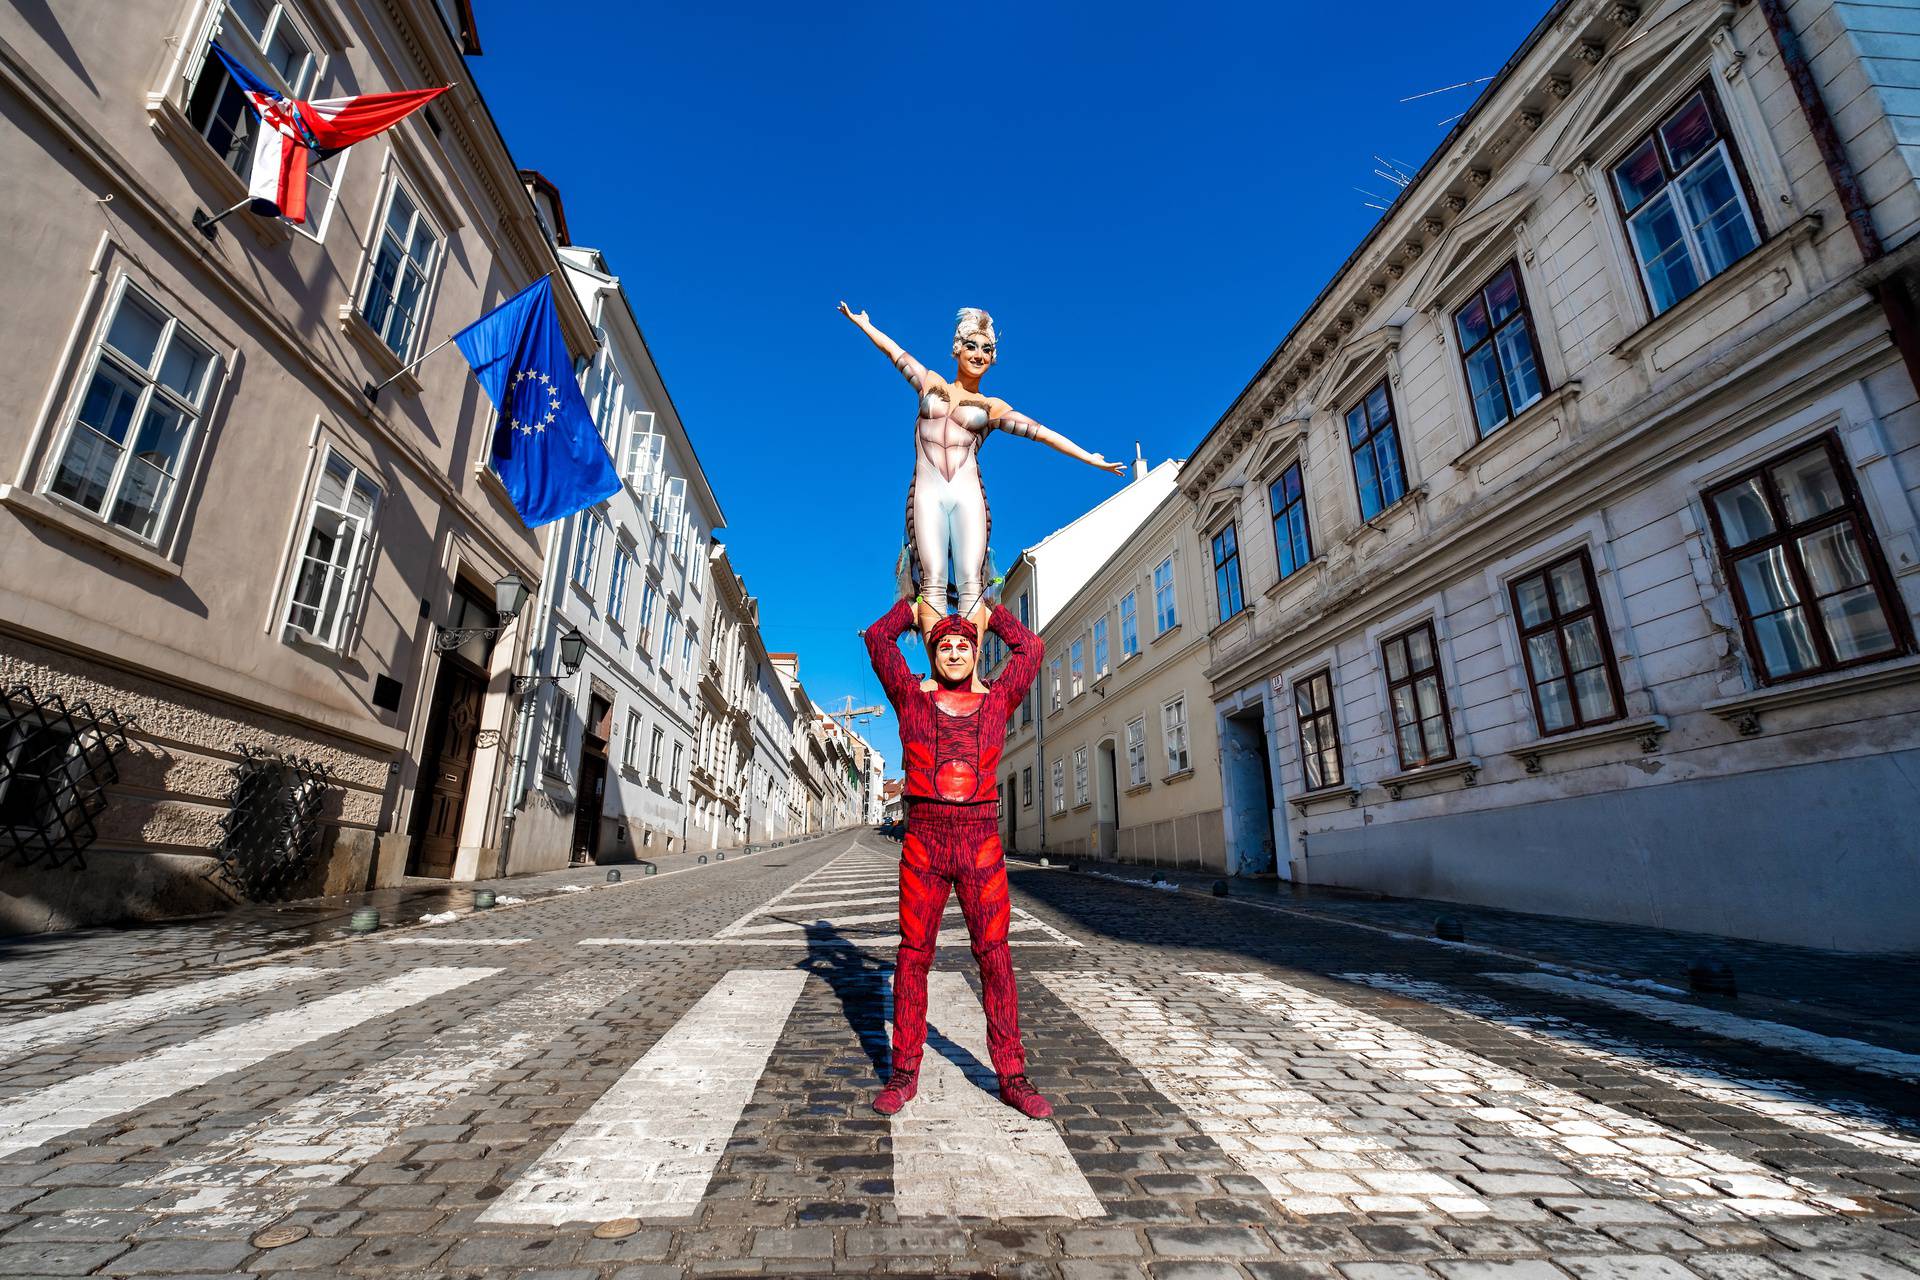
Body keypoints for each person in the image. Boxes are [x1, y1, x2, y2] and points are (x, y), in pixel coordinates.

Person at [862, 593, 1050, 1117]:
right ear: (932, 654)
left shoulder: (996, 702)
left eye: (962, 645)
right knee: (913, 955)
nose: (952, 652)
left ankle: (1012, 1074)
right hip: (923, 838)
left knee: (995, 954)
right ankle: (903, 1073)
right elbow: (879, 640)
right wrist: (912, 605)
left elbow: (1030, 650)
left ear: (974, 652)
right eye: (942, 646)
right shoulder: (910, 700)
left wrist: (990, 613)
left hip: (980, 838)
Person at [839, 302, 1128, 637]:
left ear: (993, 358)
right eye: (971, 346)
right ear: (957, 349)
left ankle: (970, 678)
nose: (979, 354)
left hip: (967, 492)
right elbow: (895, 353)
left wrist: (1089, 457)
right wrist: (864, 324)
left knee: (970, 585)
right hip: (928, 490)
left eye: (987, 349)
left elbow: (1042, 433)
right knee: (931, 581)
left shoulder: (992, 407)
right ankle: (940, 675)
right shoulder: (931, 383)